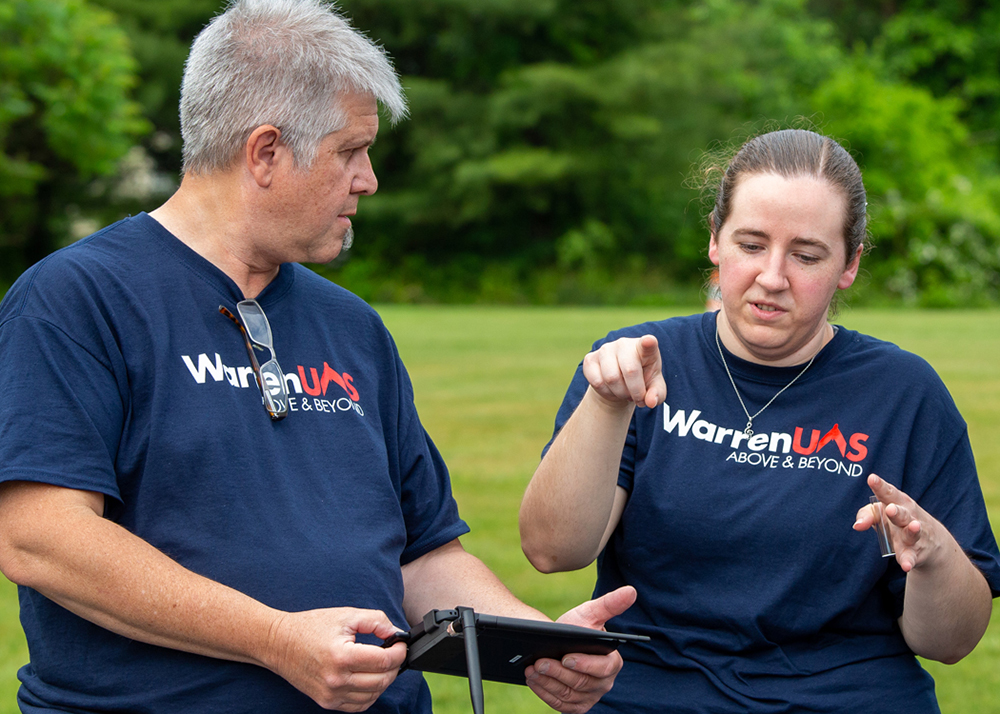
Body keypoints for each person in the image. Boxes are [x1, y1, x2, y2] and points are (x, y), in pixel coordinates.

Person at [0, 1, 636, 712]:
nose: (367, 179)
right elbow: (40, 537)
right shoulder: (76, 298)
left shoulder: (351, 326)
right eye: (349, 151)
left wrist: (538, 643)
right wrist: (276, 638)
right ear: (266, 151)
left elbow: (424, 556)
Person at [519, 128, 1000, 713]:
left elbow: (951, 643)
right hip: (655, 695)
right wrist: (606, 404)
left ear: (849, 265)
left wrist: (935, 557)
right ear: (715, 242)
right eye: (751, 245)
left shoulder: (904, 393)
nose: (773, 277)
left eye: (806, 255)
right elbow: (551, 551)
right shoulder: (635, 362)